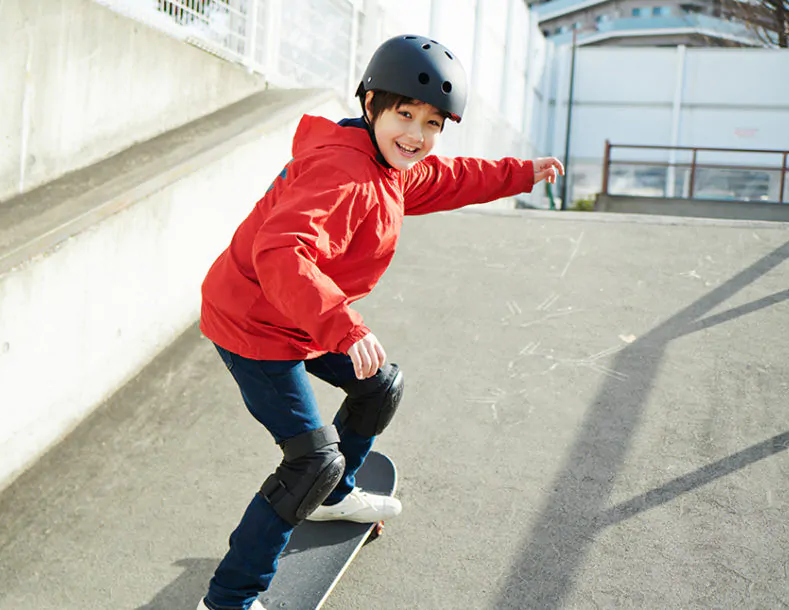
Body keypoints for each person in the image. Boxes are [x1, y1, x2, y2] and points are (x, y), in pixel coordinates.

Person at [196, 34, 564, 610]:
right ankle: (228, 599)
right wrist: (344, 326)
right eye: (404, 114)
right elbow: (281, 252)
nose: (417, 136)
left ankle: (335, 495)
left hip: (300, 316)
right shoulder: (342, 174)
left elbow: (449, 178)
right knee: (310, 461)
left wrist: (520, 173)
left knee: (378, 384)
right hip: (255, 325)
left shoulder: (384, 161)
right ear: (370, 105)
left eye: (433, 123)